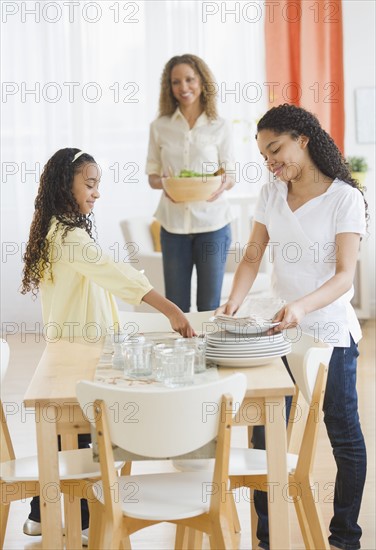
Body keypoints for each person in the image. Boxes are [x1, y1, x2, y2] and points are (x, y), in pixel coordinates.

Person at [20, 147, 194, 544]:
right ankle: (76, 517)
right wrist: (171, 310)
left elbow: (103, 279)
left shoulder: (60, 228)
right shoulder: (67, 235)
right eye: (91, 184)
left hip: (76, 348)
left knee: (77, 435)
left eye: (98, 185)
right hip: (76, 352)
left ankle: (40, 513)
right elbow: (115, 273)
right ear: (67, 184)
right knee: (80, 435)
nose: (96, 193)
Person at [216, 104, 368, 550]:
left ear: (303, 138)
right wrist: (233, 303)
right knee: (266, 434)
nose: (270, 162)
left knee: (343, 431)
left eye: (276, 150)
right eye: (264, 155)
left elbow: (344, 276)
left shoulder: (345, 198)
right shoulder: (271, 191)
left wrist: (302, 306)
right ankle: (268, 537)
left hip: (329, 331)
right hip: (278, 328)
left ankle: (344, 537)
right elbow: (252, 254)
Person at [146, 53, 235, 313]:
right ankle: (180, 354)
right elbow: (152, 175)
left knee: (209, 305)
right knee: (176, 306)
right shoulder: (159, 127)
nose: (183, 87)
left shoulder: (220, 126)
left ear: (202, 82)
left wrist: (222, 184)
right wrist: (163, 183)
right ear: (169, 87)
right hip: (173, 226)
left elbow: (230, 174)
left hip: (213, 224)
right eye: (176, 82)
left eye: (189, 79)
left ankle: (210, 355)